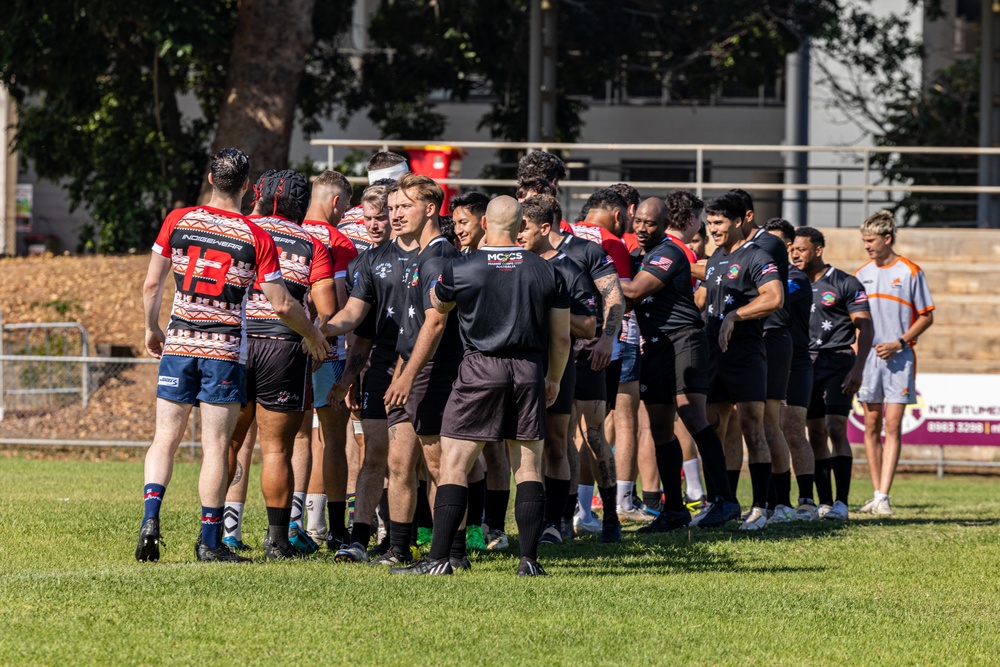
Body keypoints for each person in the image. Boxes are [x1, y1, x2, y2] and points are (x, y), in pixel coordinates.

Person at [137, 148, 329, 563]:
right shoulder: (254, 235)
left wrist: (153, 329)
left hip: (179, 343)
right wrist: (312, 332)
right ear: (246, 187)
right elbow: (280, 303)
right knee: (216, 446)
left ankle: (150, 517)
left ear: (210, 178)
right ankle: (209, 541)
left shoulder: (178, 220)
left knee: (164, 440)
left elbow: (152, 286)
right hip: (224, 351)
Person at [390, 195, 571, 576]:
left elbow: (437, 314)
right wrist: (553, 378)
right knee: (528, 465)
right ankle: (529, 561)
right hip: (528, 369)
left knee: (454, 464)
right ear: (522, 226)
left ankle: (440, 560)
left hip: (479, 368)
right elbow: (562, 339)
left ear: (485, 223)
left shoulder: (461, 268)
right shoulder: (548, 271)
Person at [226, 169, 336, 560]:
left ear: (257, 196)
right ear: (303, 204)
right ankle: (277, 540)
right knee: (276, 451)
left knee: (230, 443)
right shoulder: (311, 242)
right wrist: (315, 336)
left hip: (235, 343)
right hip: (283, 345)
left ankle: (219, 531)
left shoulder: (238, 230)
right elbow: (326, 310)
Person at [621, 198, 742, 531]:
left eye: (650, 223)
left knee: (691, 415)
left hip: (684, 340)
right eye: (639, 223)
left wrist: (595, 277)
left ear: (663, 224)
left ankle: (725, 501)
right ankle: (674, 509)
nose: (643, 229)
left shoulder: (668, 253)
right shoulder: (637, 255)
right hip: (656, 346)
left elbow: (633, 292)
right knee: (659, 426)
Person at [323, 180, 421, 563]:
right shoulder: (366, 263)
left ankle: (405, 541)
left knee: (406, 462)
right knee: (375, 456)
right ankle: (359, 539)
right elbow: (358, 329)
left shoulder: (433, 257)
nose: (379, 223)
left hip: (417, 370)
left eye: (386, 215)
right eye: (371, 218)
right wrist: (344, 373)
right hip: (380, 369)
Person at [698, 192, 784, 531]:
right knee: (716, 429)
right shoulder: (716, 257)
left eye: (719, 222)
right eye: (710, 222)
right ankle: (722, 502)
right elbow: (704, 298)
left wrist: (736, 315)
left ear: (738, 222)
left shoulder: (758, 255)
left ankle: (761, 508)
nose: (714, 228)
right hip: (713, 354)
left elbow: (774, 297)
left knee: (753, 427)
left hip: (746, 354)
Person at [516, 196, 598, 544]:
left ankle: (556, 521)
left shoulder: (569, 269)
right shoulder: (513, 263)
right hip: (518, 367)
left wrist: (554, 317)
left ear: (544, 228)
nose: (518, 235)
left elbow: (590, 326)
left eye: (525, 228)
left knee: (556, 444)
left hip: (557, 369)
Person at [791, 227, 873, 520]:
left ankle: (841, 502)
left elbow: (866, 326)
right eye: (792, 249)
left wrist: (858, 367)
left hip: (838, 362)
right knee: (814, 432)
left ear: (818, 250)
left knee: (835, 426)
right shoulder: (790, 282)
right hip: (804, 363)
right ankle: (823, 501)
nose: (795, 254)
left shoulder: (845, 282)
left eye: (801, 249)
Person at [855, 211, 934, 515]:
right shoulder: (862, 274)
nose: (867, 246)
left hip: (899, 358)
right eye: (864, 241)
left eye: (871, 240)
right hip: (870, 358)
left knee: (892, 424)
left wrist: (899, 342)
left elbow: (927, 315)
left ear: (887, 239)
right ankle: (876, 493)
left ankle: (885, 494)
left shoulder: (911, 271)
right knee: (871, 423)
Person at [566, 188, 633, 540]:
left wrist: (607, 338)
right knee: (562, 436)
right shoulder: (527, 244)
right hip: (558, 354)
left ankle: (609, 517)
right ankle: (562, 517)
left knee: (591, 434)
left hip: (590, 351)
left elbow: (617, 295)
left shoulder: (590, 245)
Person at [299, 171, 359, 547]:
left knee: (292, 440)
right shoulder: (339, 241)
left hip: (282, 351)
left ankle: (292, 527)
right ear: (337, 202)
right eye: (347, 205)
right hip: (327, 351)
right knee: (334, 441)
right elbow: (334, 305)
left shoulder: (287, 230)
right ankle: (337, 530)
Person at [765, 218, 819, 520]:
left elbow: (772, 298)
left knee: (794, 430)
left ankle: (806, 501)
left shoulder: (795, 277)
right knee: (767, 429)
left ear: (786, 246)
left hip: (796, 363)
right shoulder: (760, 274)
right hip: (767, 360)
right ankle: (776, 501)